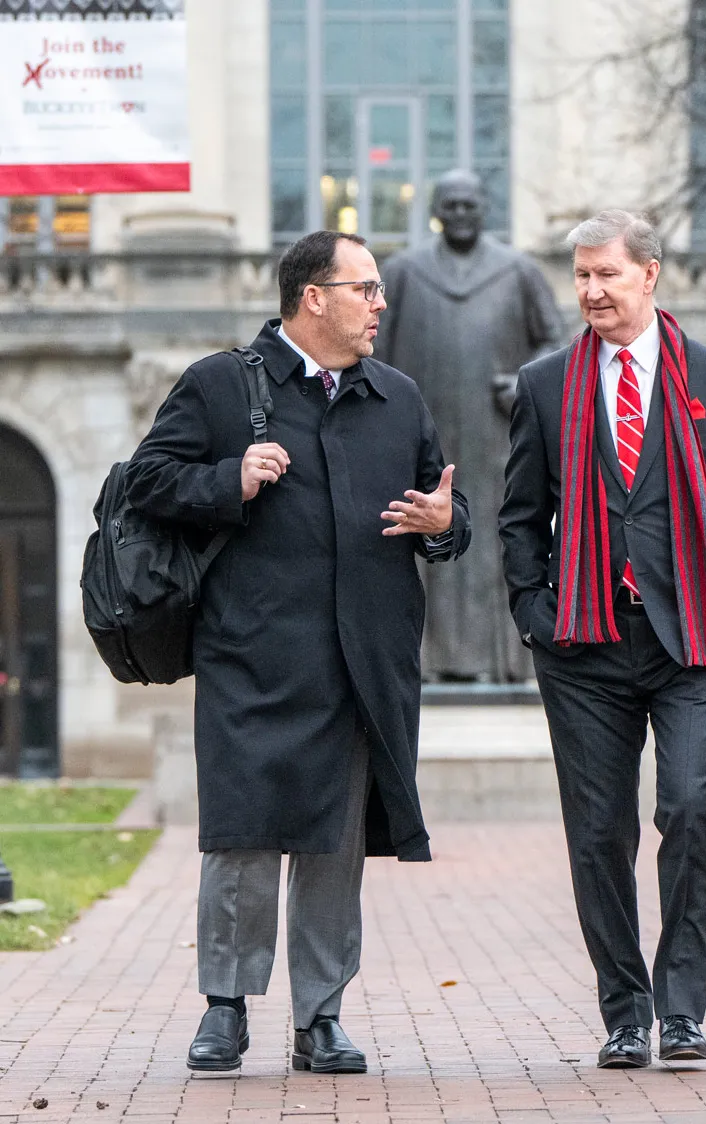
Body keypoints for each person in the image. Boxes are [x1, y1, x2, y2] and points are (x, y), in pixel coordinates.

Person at [124, 231, 470, 1075]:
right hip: (252, 654)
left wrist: (444, 526)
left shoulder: (397, 397)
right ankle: (225, 1008)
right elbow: (146, 484)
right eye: (367, 289)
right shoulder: (218, 384)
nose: (381, 304)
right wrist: (227, 478)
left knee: (332, 840)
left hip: (363, 660)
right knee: (241, 835)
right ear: (313, 297)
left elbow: (443, 510)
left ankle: (321, 1016)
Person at [499, 210, 706, 1068]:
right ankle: (624, 1012)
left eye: (605, 275)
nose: (589, 291)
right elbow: (518, 516)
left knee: (690, 811)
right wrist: (532, 611)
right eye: (580, 276)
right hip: (582, 645)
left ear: (649, 275)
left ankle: (682, 1009)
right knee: (596, 834)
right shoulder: (545, 384)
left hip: (693, 638)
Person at [376, 169, 564, 682]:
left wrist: (524, 382)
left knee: (495, 541)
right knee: (423, 541)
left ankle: (501, 664)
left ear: (485, 208)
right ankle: (430, 661)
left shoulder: (518, 272)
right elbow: (369, 349)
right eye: (450, 204)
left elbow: (558, 343)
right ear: (436, 210)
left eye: (469, 204)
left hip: (498, 442)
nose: (460, 213)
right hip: (421, 440)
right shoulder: (404, 273)